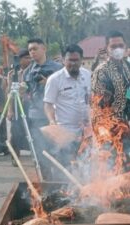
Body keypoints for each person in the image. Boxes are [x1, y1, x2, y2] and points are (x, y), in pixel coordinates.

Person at [44, 44, 91, 179]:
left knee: (85, 167)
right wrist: (52, 121)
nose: (73, 63)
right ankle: (63, 195)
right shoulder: (54, 79)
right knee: (65, 169)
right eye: (70, 60)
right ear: (63, 60)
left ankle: (85, 195)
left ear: (81, 60)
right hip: (65, 132)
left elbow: (92, 100)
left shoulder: (88, 76)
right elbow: (48, 104)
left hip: (86, 132)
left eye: (76, 60)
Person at [92, 30, 130, 171]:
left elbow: (129, 92)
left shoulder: (128, 67)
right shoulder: (101, 71)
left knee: (128, 160)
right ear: (107, 49)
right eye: (114, 46)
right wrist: (105, 128)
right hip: (107, 125)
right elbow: (97, 103)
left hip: (123, 123)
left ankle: (129, 190)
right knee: (110, 162)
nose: (118, 49)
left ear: (125, 46)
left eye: (121, 45)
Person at [24, 38, 63, 179]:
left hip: (54, 116)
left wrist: (49, 83)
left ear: (44, 48)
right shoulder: (28, 71)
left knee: (58, 151)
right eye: (30, 50)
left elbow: (65, 90)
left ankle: (61, 183)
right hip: (36, 116)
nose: (32, 52)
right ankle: (46, 182)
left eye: (35, 48)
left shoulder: (58, 69)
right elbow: (28, 92)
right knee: (40, 152)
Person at [7, 49, 32, 164]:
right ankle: (15, 157)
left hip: (30, 106)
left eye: (30, 58)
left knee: (33, 132)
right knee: (15, 133)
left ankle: (35, 157)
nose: (29, 60)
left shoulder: (33, 71)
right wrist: (10, 110)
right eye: (26, 58)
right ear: (20, 60)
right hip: (17, 106)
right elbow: (10, 93)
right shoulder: (12, 74)